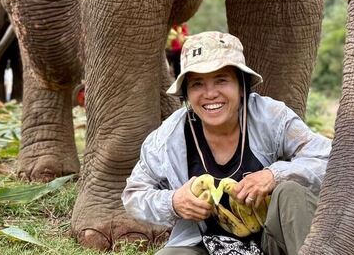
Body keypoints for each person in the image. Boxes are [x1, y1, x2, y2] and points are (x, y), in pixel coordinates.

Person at [123, 32, 331, 255]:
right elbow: (134, 194)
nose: (210, 94)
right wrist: (173, 202)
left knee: (291, 192)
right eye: (197, 84)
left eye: (221, 80)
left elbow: (329, 158)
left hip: (275, 243)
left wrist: (274, 175)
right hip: (207, 247)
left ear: (241, 86)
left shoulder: (272, 117)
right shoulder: (167, 138)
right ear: (186, 94)